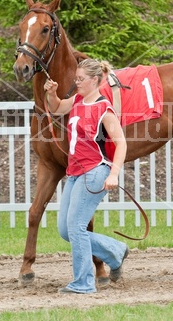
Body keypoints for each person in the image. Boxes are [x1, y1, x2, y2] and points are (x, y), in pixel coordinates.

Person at [44, 58, 129, 294]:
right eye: (76, 79)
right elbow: (57, 107)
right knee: (65, 230)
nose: (76, 83)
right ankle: (115, 251)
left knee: (77, 227)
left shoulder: (104, 109)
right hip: (73, 174)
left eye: (80, 79)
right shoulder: (78, 100)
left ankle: (83, 283)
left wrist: (114, 174)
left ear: (95, 80)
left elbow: (121, 144)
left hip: (94, 173)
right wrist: (52, 93)